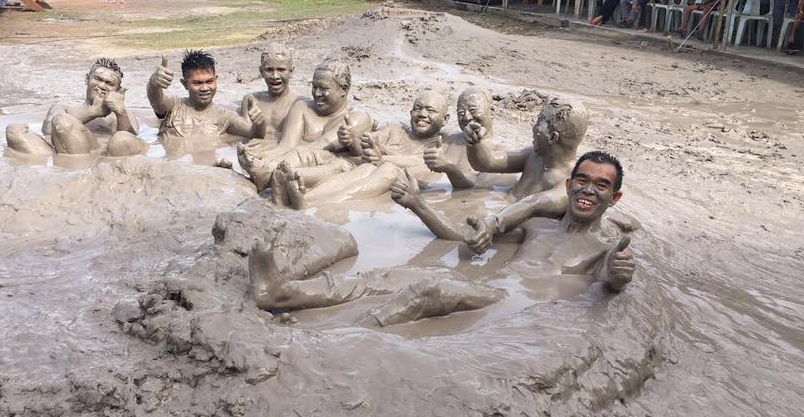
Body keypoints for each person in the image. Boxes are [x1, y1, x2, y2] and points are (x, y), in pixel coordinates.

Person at [249, 151, 635, 326]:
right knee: (385, 276)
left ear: (613, 197)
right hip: (486, 286)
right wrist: (419, 204)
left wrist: (617, 275)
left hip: (513, 306)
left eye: (602, 185)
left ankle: (333, 337)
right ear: (569, 185)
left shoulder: (603, 248)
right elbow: (462, 238)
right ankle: (280, 295)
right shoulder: (539, 226)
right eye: (582, 180)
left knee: (428, 291)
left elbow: (610, 281)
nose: (589, 190)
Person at [394, 99, 589, 248]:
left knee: (465, 235)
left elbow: (532, 204)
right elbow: (487, 163)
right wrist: (474, 143)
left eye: (539, 123)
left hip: (519, 226)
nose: (533, 127)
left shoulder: (570, 182)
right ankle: (418, 202)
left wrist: (492, 224)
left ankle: (416, 203)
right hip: (502, 208)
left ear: (553, 138)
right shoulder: (535, 155)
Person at [273, 92, 450, 209]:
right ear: (410, 112)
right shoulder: (396, 129)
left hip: (400, 181)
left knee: (383, 169)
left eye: (430, 110)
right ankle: (298, 187)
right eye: (418, 109)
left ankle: (309, 201)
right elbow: (366, 147)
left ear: (445, 119)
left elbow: (420, 162)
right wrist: (353, 141)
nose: (422, 114)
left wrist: (382, 157)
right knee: (349, 165)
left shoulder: (444, 142)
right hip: (366, 169)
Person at [237, 59, 372, 191]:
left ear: (344, 89)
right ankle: (266, 171)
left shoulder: (357, 118)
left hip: (325, 170)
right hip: (293, 162)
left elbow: (319, 146)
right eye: (314, 87)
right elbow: (286, 146)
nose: (317, 94)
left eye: (324, 89)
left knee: (313, 158)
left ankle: (267, 173)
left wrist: (268, 164)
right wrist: (263, 156)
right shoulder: (303, 107)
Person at [6, 58, 146, 157]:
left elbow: (130, 139)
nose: (102, 86)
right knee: (14, 131)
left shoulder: (122, 114)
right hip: (62, 150)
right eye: (97, 79)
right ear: (87, 79)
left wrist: (120, 112)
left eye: (109, 83)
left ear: (117, 89)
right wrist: (92, 112)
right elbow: (48, 130)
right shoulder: (64, 107)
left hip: (101, 154)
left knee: (121, 139)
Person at [145, 50, 266, 140]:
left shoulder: (225, 116)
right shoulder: (174, 106)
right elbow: (156, 101)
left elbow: (253, 134)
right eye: (197, 83)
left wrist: (260, 124)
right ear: (184, 84)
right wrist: (154, 84)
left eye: (209, 81)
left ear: (216, 79)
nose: (204, 88)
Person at [422, 87, 496, 190]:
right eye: (461, 113)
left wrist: (450, 169)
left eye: (473, 110)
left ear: (492, 111)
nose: (466, 117)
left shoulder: (503, 153)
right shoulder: (447, 139)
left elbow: (480, 194)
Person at [238, 43, 304, 147]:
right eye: (269, 70)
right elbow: (246, 137)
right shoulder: (251, 100)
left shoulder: (300, 104)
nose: (275, 76)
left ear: (291, 71)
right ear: (261, 71)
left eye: (281, 70)